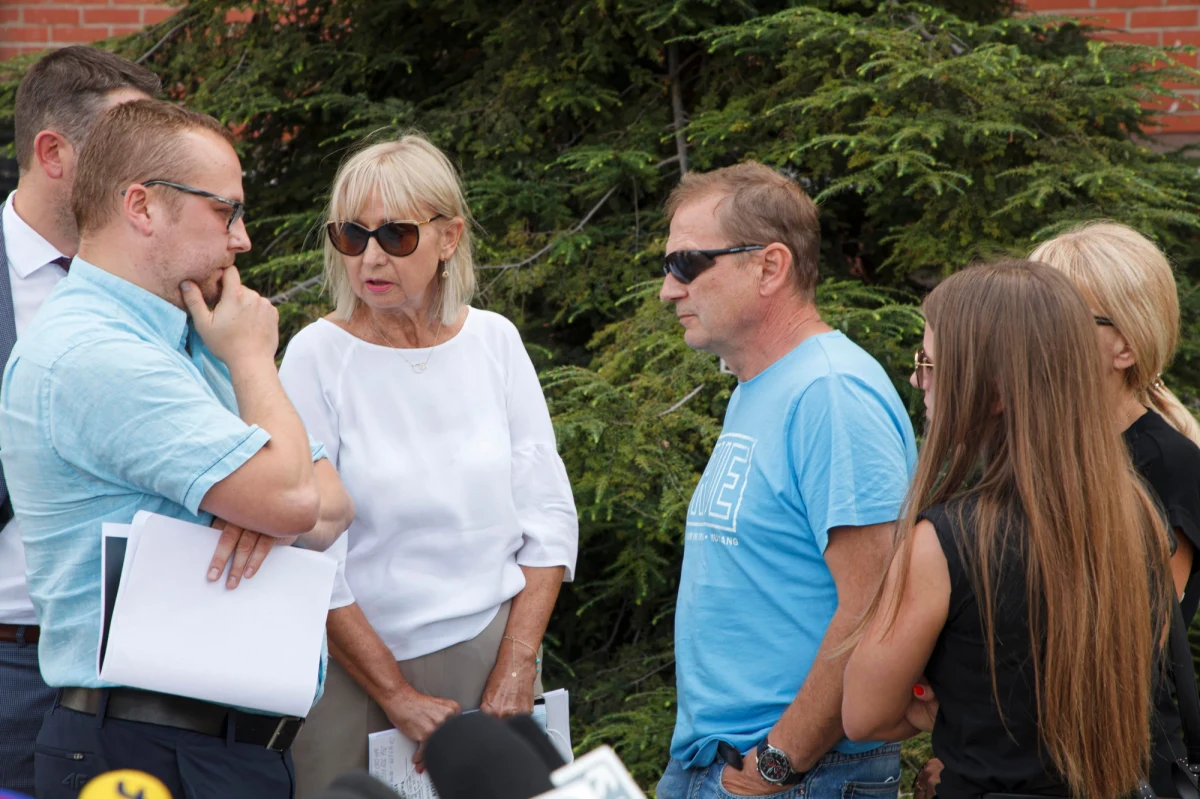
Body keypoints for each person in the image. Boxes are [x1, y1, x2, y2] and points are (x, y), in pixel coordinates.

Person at [0, 99, 355, 798]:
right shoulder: (95, 353)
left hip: (208, 745)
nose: (241, 239)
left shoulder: (186, 337)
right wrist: (252, 360)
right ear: (142, 206)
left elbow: (333, 506)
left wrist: (267, 504)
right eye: (226, 211)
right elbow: (296, 499)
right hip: (147, 750)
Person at [278, 133, 579, 795]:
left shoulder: (494, 341)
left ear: (449, 237)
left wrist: (517, 659)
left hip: (493, 658)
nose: (371, 256)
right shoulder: (316, 356)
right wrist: (395, 693)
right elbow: (309, 549)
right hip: (355, 673)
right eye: (351, 235)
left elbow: (548, 516)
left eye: (396, 234)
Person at [842, 261, 1173, 799]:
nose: (918, 379)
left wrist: (935, 707)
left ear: (994, 391)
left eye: (929, 363)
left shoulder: (947, 541)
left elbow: (863, 714)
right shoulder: (1138, 515)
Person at [654, 161, 917, 799]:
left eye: (686, 264)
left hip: (800, 774)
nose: (668, 290)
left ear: (770, 267)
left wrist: (779, 761)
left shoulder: (831, 392)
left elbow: (874, 604)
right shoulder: (764, 385)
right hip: (728, 763)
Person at [0, 46, 159, 795]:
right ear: (53, 153)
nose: (145, 176)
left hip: (146, 668)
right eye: (126, 149)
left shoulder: (169, 277)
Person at [1032, 223, 1200, 798]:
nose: (1033, 336)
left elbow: (1128, 642)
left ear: (1124, 347)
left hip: (1114, 768)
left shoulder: (1169, 465)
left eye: (1058, 319)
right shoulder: (1040, 450)